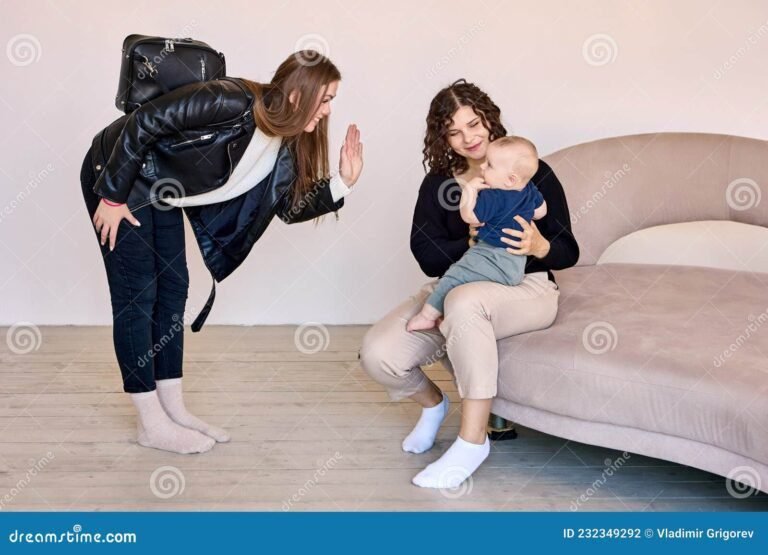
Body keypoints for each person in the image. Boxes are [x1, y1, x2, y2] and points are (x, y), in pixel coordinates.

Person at [80, 50, 363, 454]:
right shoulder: (231, 100)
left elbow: (286, 207)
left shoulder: (286, 142)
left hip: (159, 188)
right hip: (116, 173)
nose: (329, 109)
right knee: (137, 296)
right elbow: (145, 121)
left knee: (174, 290)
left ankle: (173, 410)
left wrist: (342, 183)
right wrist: (110, 196)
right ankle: (150, 423)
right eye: (326, 98)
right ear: (299, 95)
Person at [360, 79, 578, 489]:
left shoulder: (532, 174)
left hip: (527, 289)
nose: (468, 138)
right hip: (457, 284)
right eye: (454, 132)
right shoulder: (441, 184)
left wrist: (539, 243)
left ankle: (472, 441)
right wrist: (474, 241)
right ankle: (433, 406)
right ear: (442, 137)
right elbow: (425, 255)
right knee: (379, 353)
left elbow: (569, 251)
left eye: (474, 124)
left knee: (463, 301)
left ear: (489, 118)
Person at [406, 136, 546, 332]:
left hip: (492, 256)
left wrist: (469, 192)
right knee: (465, 283)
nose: (482, 168)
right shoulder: (529, 189)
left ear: (510, 179)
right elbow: (541, 211)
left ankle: (427, 316)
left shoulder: (493, 195)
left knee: (454, 276)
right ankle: (448, 314)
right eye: (454, 132)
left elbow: (470, 217)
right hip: (516, 265)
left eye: (489, 166)